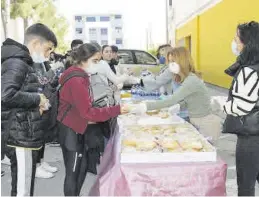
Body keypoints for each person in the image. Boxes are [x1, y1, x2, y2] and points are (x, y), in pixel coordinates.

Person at [57, 43, 126, 196]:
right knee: (73, 173)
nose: (99, 64)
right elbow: (87, 112)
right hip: (71, 130)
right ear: (84, 59)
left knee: (81, 168)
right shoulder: (76, 79)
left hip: (76, 126)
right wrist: (117, 109)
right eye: (95, 61)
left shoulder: (80, 75)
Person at [1, 23, 57, 196]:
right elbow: (5, 95)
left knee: (24, 186)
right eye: (47, 49)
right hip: (18, 136)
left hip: (23, 131)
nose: (48, 55)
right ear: (35, 44)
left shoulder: (23, 62)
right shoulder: (17, 62)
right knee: (22, 190)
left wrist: (39, 101)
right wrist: (37, 99)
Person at [128, 47, 221, 143]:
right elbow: (190, 100)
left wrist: (146, 106)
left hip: (206, 124)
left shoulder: (191, 80)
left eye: (173, 61)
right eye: (169, 61)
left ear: (182, 61)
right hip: (197, 120)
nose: (170, 65)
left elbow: (171, 100)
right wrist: (179, 106)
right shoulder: (185, 78)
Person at [223, 21, 259, 196]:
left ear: (248, 43)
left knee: (245, 187)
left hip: (250, 138)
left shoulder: (248, 71)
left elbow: (240, 106)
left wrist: (222, 105)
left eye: (237, 39)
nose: (234, 43)